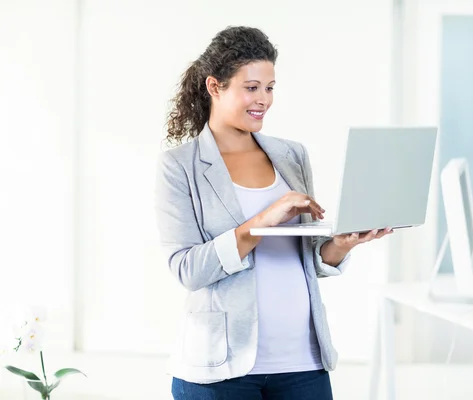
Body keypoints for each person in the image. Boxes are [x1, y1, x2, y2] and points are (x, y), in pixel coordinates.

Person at [155, 26, 393, 400]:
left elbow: (309, 257)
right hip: (222, 368)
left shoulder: (291, 155)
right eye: (251, 87)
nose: (263, 99)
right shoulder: (180, 166)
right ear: (215, 86)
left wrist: (341, 245)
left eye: (270, 87)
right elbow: (187, 269)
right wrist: (262, 222)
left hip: (303, 363)